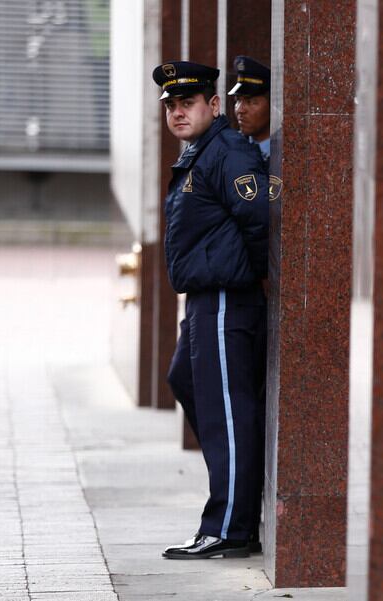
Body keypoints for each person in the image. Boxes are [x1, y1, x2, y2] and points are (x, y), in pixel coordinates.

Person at [152, 60, 269, 560]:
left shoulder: (227, 152)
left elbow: (261, 219)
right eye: (171, 106)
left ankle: (228, 527)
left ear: (213, 105)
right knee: (186, 380)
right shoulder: (200, 153)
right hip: (203, 298)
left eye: (189, 103)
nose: (178, 113)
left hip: (225, 297)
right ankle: (236, 483)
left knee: (227, 409)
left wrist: (247, 275)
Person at [228, 55, 271, 161]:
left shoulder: (288, 151)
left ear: (272, 105)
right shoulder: (229, 150)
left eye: (250, 102)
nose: (240, 110)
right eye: (237, 100)